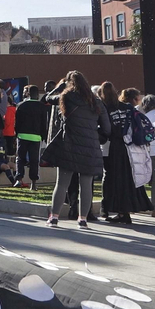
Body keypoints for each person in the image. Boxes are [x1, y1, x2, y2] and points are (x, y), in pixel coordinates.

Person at [45, 71, 109, 229]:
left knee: (62, 184)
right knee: (86, 184)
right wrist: (95, 136)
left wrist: (59, 87)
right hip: (90, 148)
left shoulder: (66, 96)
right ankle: (83, 219)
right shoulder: (96, 101)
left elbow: (47, 99)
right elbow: (107, 128)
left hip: (69, 147)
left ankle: (54, 218)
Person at [98, 82, 149, 224]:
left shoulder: (104, 109)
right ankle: (126, 211)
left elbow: (105, 131)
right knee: (129, 178)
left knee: (114, 179)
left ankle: (115, 210)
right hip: (131, 147)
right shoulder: (127, 107)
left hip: (114, 148)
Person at [13, 85, 49, 190]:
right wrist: (43, 135)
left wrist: (17, 133)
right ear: (37, 94)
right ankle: (33, 183)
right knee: (34, 160)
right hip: (36, 137)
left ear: (28, 93)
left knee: (20, 158)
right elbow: (44, 123)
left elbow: (17, 122)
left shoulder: (21, 105)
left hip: (22, 135)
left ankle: (19, 179)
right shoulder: (42, 107)